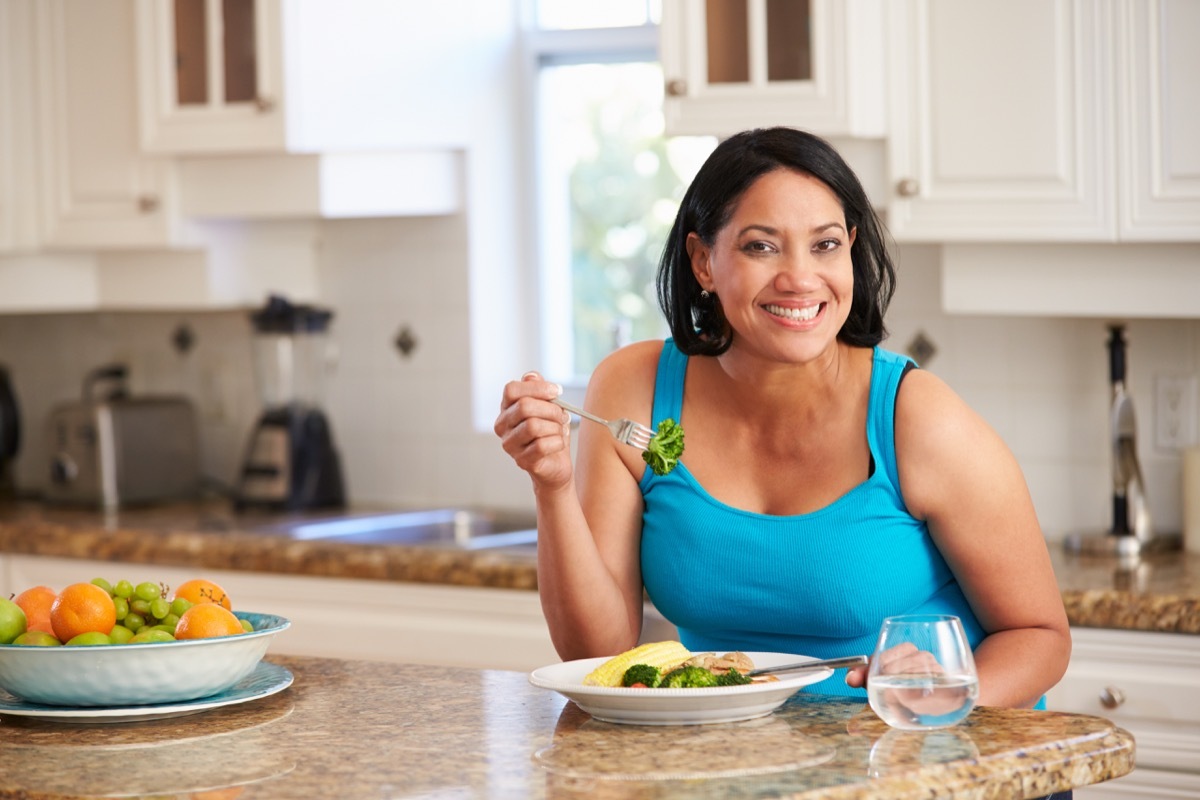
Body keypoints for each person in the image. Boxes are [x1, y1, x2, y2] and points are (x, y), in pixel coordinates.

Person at [495, 127, 1071, 714]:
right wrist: (553, 484)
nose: (799, 278)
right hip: (747, 765)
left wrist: (941, 696)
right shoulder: (633, 390)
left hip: (929, 756)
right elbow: (600, 652)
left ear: (850, 249)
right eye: (761, 247)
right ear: (703, 262)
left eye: (824, 245)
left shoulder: (914, 417)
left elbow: (1041, 638)